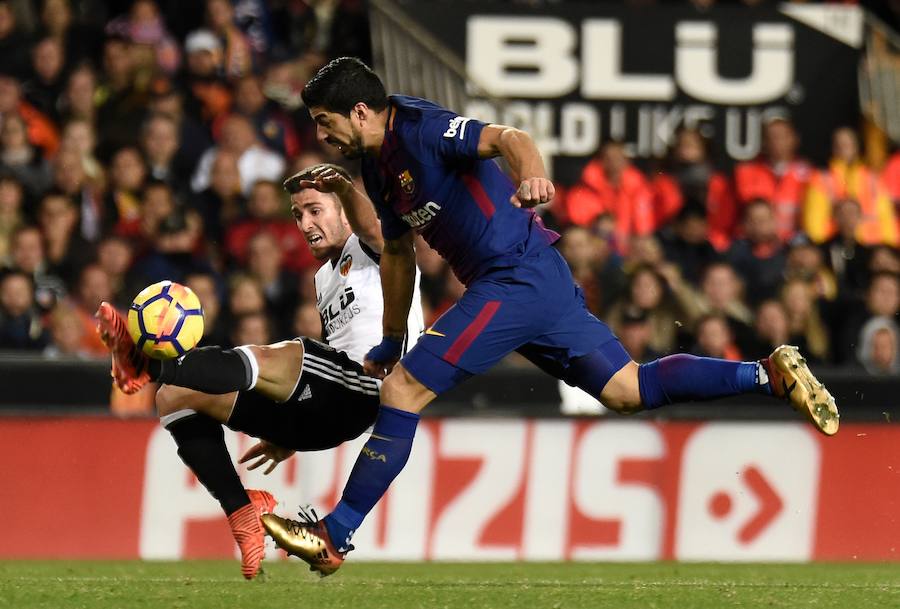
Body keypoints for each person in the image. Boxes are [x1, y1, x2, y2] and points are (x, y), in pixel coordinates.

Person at [256, 57, 841, 577]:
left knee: (404, 392)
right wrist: (389, 337)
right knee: (626, 389)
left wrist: (532, 172)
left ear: (359, 112)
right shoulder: (379, 169)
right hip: (537, 279)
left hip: (514, 278)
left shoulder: (422, 128)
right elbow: (399, 251)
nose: (320, 133)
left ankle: (334, 534)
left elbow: (509, 137)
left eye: (324, 121)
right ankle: (767, 375)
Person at [94, 162, 424, 579]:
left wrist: (342, 184)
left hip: (370, 386)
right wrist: (290, 427)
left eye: (315, 210)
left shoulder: (376, 247)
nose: (305, 224)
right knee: (173, 398)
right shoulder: (325, 277)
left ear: (344, 210)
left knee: (285, 353)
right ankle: (241, 512)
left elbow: (376, 230)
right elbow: (331, 358)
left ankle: (147, 362)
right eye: (297, 215)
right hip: (325, 411)